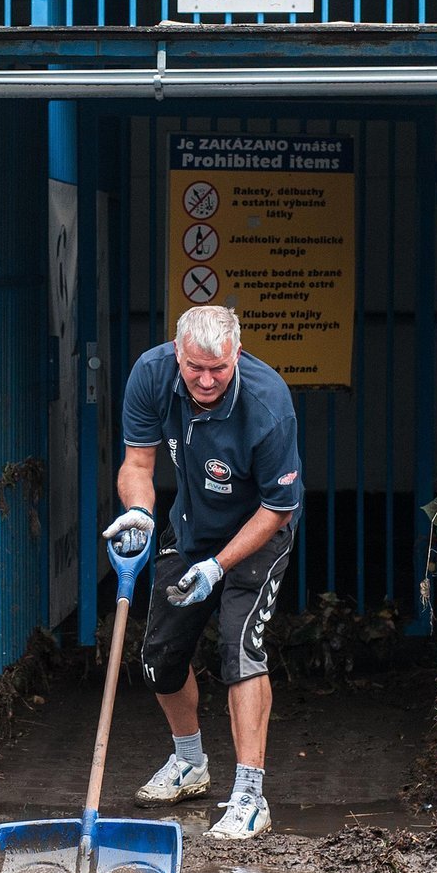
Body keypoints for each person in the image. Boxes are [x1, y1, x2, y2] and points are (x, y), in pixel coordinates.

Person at [103, 304, 302, 840]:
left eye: (219, 367)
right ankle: (190, 762)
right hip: (190, 528)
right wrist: (140, 514)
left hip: (258, 533)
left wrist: (218, 569)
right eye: (195, 368)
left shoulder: (268, 403)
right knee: (160, 658)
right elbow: (139, 464)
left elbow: (277, 508)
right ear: (177, 354)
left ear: (236, 353)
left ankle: (250, 796)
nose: (207, 379)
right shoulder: (151, 374)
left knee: (241, 652)